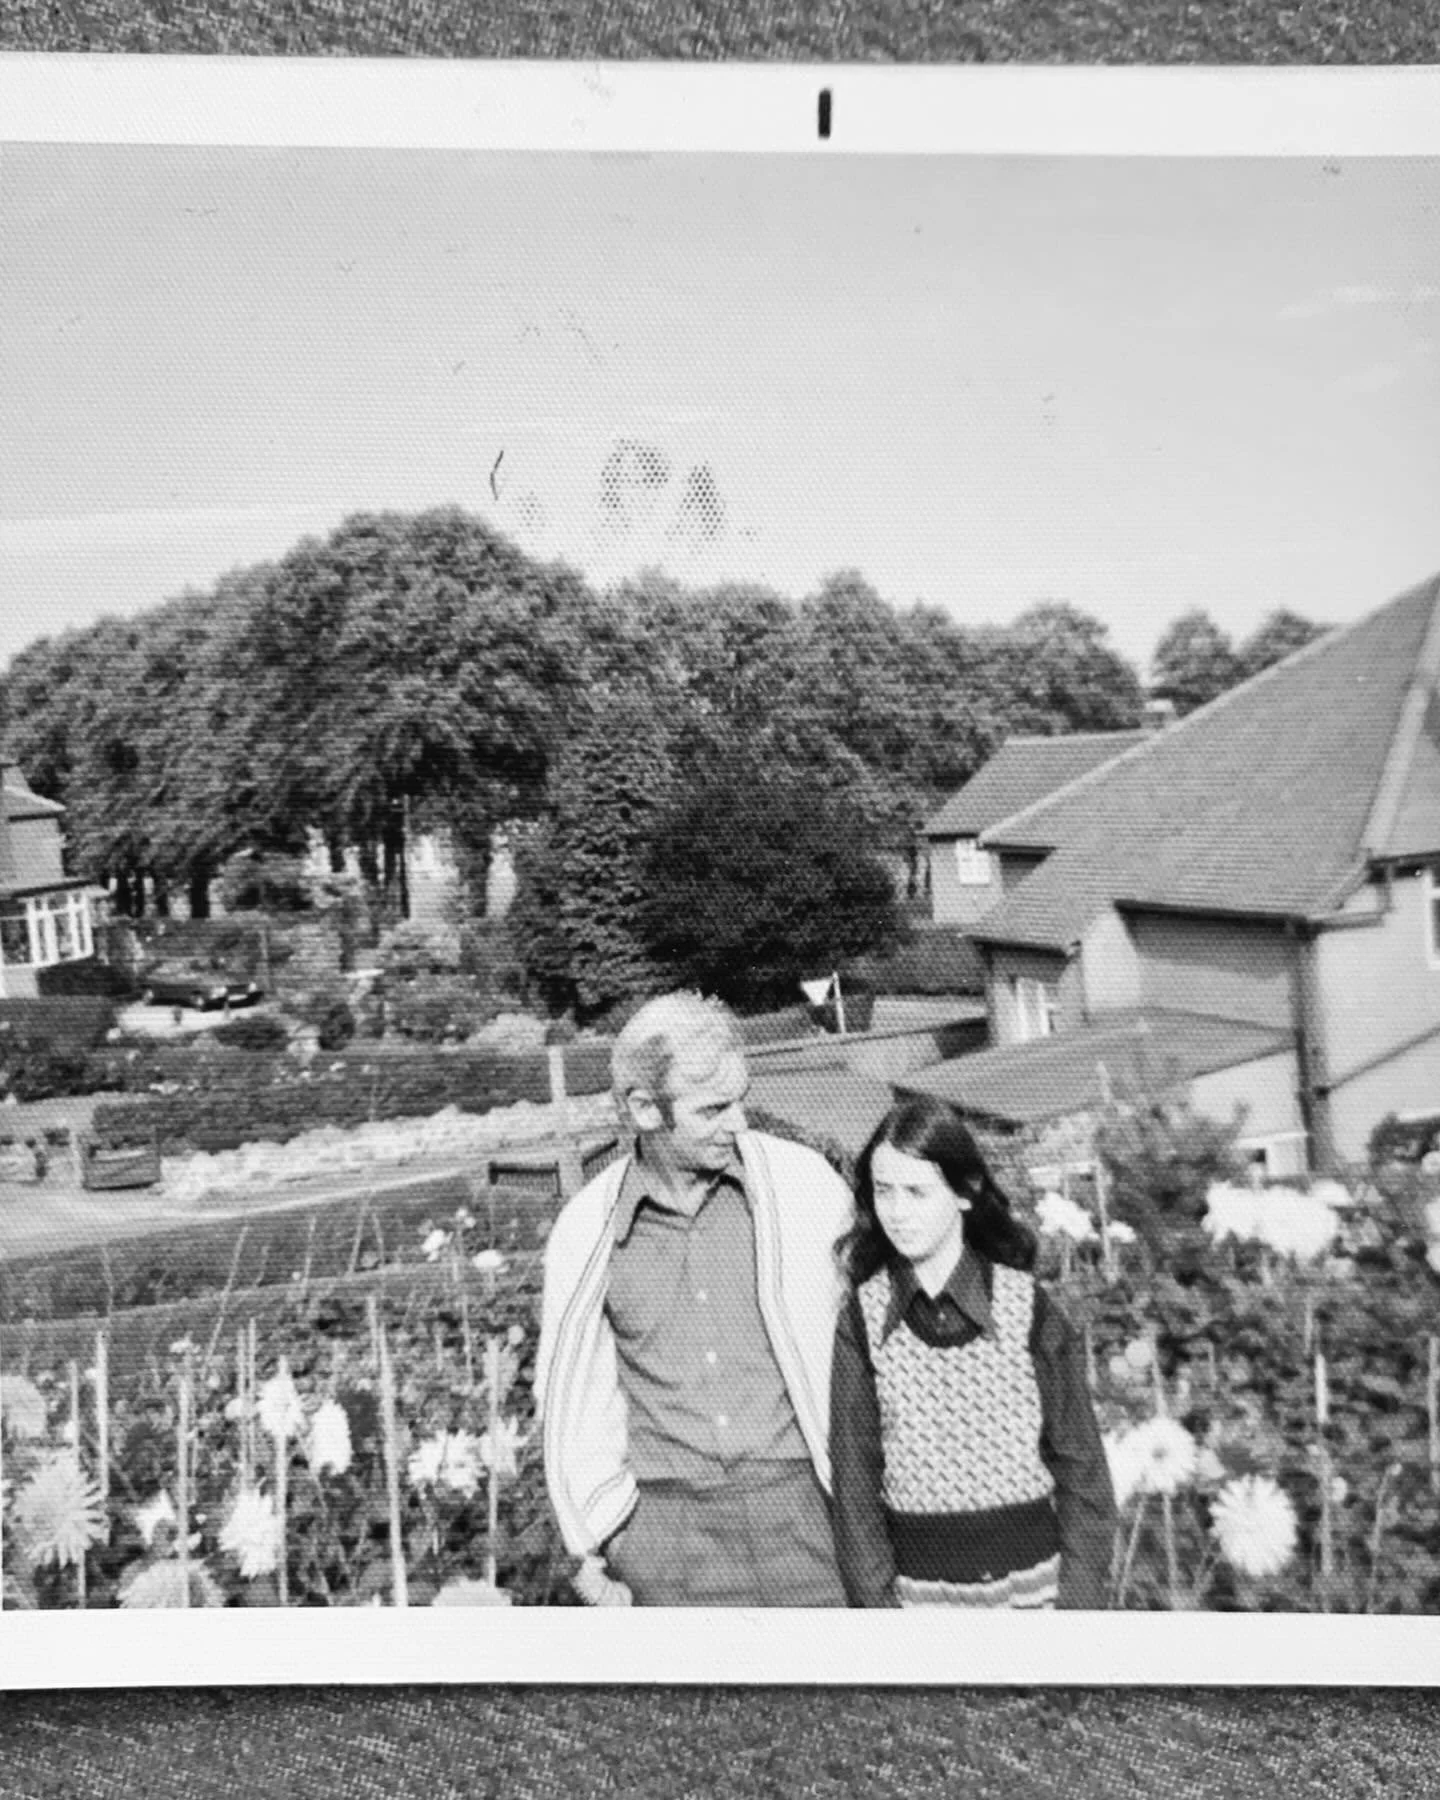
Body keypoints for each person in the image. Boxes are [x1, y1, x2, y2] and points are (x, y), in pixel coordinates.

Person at [535, 991, 855, 1606]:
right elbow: (565, 1395)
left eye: (741, 1100)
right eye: (712, 1109)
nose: (737, 1123)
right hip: (666, 1541)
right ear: (645, 1109)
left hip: (809, 1516)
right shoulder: (586, 1231)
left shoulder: (805, 1186)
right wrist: (601, 1543)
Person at [829, 1096, 1115, 1609]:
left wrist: (1078, 1607)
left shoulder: (1027, 1308)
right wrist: (881, 1613)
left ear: (965, 1191)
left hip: (1035, 1593)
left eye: (916, 1192)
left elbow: (1082, 1470)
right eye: (884, 1192)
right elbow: (855, 1487)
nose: (897, 1213)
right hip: (919, 1603)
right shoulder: (862, 1319)